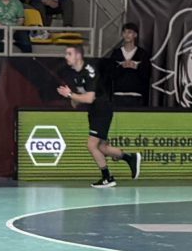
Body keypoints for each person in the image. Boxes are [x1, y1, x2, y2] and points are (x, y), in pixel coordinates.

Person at [55, 43, 139, 187]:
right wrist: (71, 96)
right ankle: (130, 158)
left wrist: (70, 94)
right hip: (94, 111)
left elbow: (89, 98)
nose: (66, 57)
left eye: (69, 53)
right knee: (102, 147)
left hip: (102, 109)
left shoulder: (90, 71)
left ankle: (107, 177)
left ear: (78, 55)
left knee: (91, 145)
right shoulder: (75, 73)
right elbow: (78, 99)